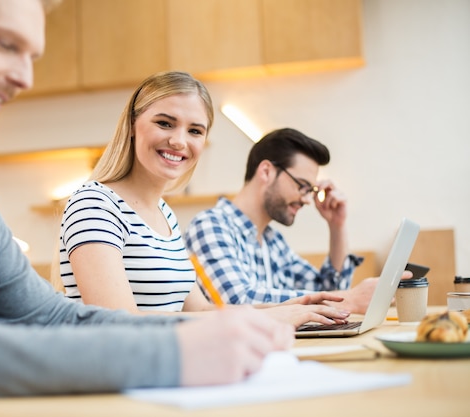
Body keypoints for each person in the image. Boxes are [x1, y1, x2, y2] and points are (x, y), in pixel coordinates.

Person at [0, 0, 295, 411]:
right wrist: (175, 352)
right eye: (6, 44)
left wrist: (212, 333)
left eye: (31, 57)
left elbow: (52, 317)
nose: (24, 77)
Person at [58, 72, 350, 327]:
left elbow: (201, 310)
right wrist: (269, 317)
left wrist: (290, 308)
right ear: (133, 125)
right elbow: (119, 323)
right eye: (165, 123)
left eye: (195, 130)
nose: (179, 141)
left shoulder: (164, 215)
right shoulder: (95, 204)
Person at [185, 128, 378, 314]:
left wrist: (337, 226)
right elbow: (238, 301)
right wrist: (349, 300)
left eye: (310, 191)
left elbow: (328, 290)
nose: (306, 199)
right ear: (266, 172)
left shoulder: (273, 241)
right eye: (303, 186)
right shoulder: (210, 225)